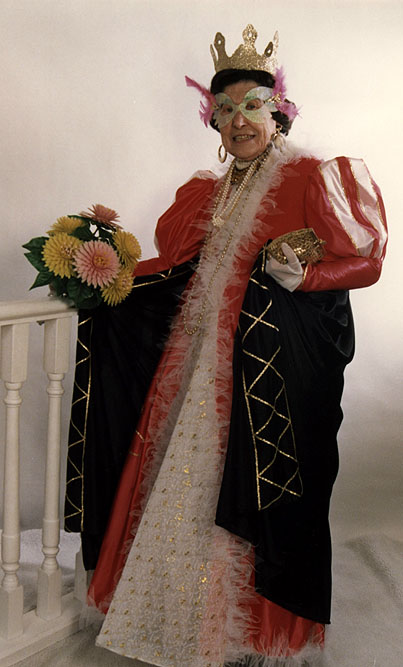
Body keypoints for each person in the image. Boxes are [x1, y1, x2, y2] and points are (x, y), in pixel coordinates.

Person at [65, 24, 387, 666]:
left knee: (253, 483)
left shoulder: (314, 176)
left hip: (267, 372)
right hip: (195, 369)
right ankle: (173, 616)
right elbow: (175, 269)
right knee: (182, 479)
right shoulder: (206, 193)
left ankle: (247, 630)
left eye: (252, 106)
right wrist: (104, 274)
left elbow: (368, 259)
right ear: (212, 120)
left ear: (278, 112)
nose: (239, 121)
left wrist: (308, 277)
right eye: (225, 109)